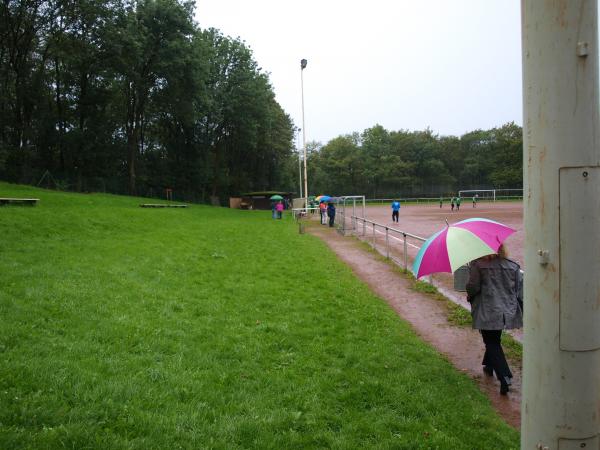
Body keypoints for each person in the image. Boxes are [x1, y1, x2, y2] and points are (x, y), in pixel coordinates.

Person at [466, 244, 523, 395]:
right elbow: (517, 289)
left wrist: (469, 294)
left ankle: (504, 375)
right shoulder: (513, 266)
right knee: (494, 338)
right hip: (505, 311)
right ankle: (488, 366)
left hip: (487, 309)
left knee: (491, 341)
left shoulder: (477, 265)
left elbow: (473, 287)